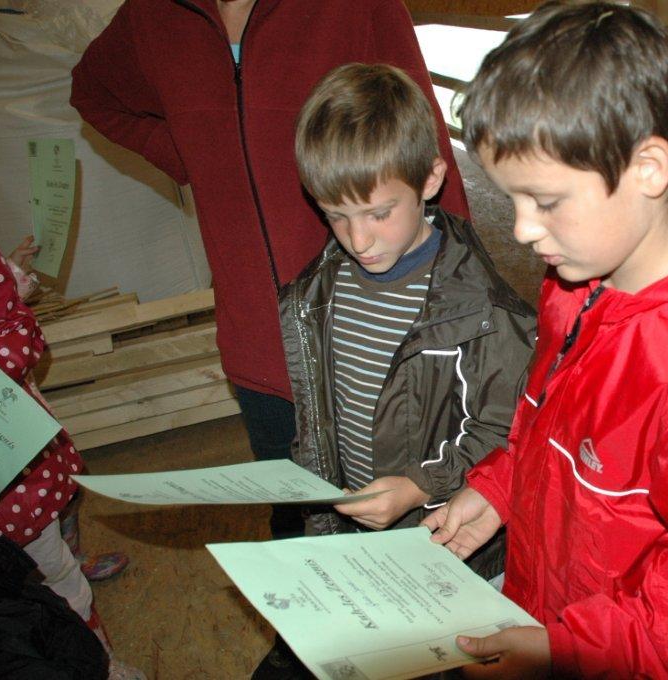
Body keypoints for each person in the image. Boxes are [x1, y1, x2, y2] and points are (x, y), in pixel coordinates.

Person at [421, 3, 668, 678]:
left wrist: (565, 652)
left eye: (545, 201)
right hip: (543, 606)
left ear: (648, 168)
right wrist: (501, 490)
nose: (523, 229)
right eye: (513, 200)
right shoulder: (574, 289)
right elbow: (548, 429)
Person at [70, 0, 469, 539]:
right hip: (259, 341)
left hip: (375, 332)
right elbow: (93, 92)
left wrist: (459, 286)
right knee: (295, 519)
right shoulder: (152, 15)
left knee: (401, 521)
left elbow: (425, 137)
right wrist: (189, 152)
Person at [256, 63, 536, 678]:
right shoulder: (319, 291)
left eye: (379, 212)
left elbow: (506, 434)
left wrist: (416, 486)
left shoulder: (485, 311)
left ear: (430, 179)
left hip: (447, 551)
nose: (358, 239)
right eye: (335, 215)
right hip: (354, 536)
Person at [0, 234, 145, 680]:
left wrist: (9, 272)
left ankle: (99, 662)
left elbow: (10, 326)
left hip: (7, 450)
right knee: (41, 564)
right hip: (3, 480)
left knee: (57, 523)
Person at [4, 236, 131, 582]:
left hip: (25, 413)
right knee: (31, 512)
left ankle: (72, 560)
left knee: (67, 491)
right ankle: (53, 580)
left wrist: (10, 271)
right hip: (1, 427)